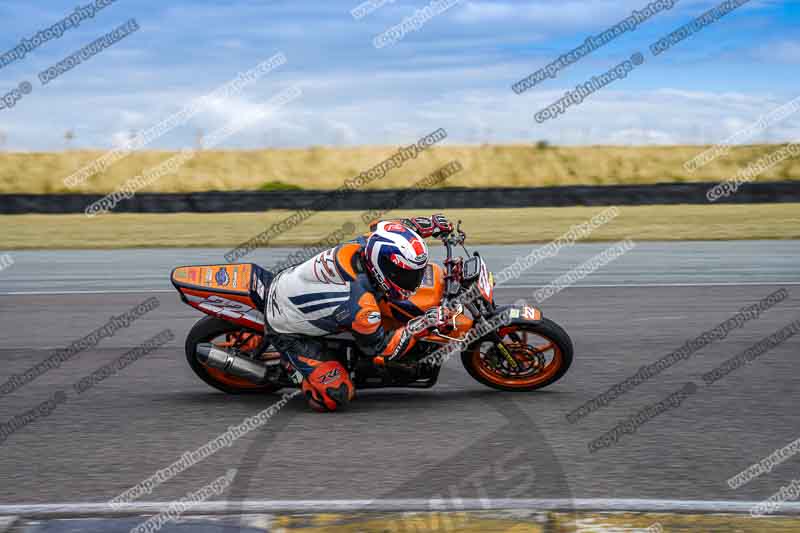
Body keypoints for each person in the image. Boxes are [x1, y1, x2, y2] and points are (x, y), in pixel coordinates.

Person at [264, 214, 454, 412]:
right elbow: (381, 350)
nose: (414, 280)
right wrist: (422, 324)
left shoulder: (371, 243)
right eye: (406, 274)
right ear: (383, 267)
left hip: (293, 281)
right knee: (337, 395)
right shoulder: (363, 309)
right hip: (285, 326)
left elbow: (395, 226)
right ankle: (292, 369)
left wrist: (431, 224)